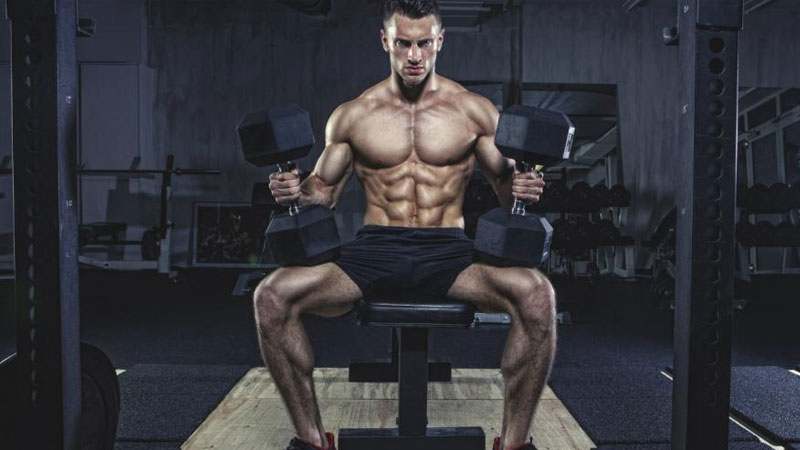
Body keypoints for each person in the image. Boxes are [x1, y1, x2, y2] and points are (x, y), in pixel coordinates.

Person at [255, 1, 555, 449]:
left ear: (440, 41)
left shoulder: (474, 112)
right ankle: (313, 440)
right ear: (385, 42)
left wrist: (525, 186)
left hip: (450, 252)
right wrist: (295, 190)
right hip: (374, 249)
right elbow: (325, 193)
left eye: (423, 44)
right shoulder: (353, 115)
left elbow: (505, 189)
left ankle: (513, 444)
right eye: (403, 44)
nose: (414, 56)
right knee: (270, 298)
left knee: (538, 297)